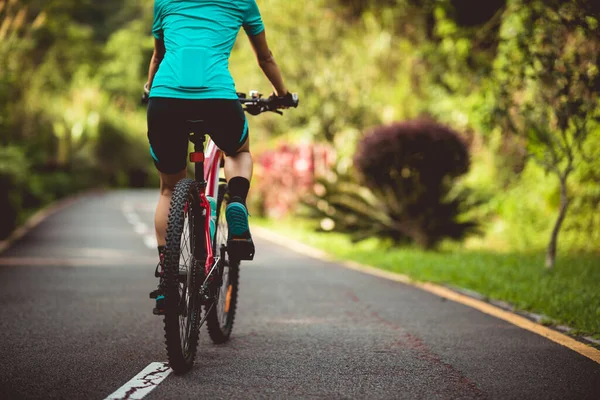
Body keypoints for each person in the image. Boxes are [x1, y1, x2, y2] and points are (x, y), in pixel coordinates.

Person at [145, 0, 294, 313]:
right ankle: (237, 199)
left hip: (165, 99)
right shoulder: (242, 2)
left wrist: (149, 87)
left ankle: (167, 282)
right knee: (237, 150)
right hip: (216, 99)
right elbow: (265, 57)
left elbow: (158, 56)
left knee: (169, 189)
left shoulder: (164, 2)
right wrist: (282, 94)